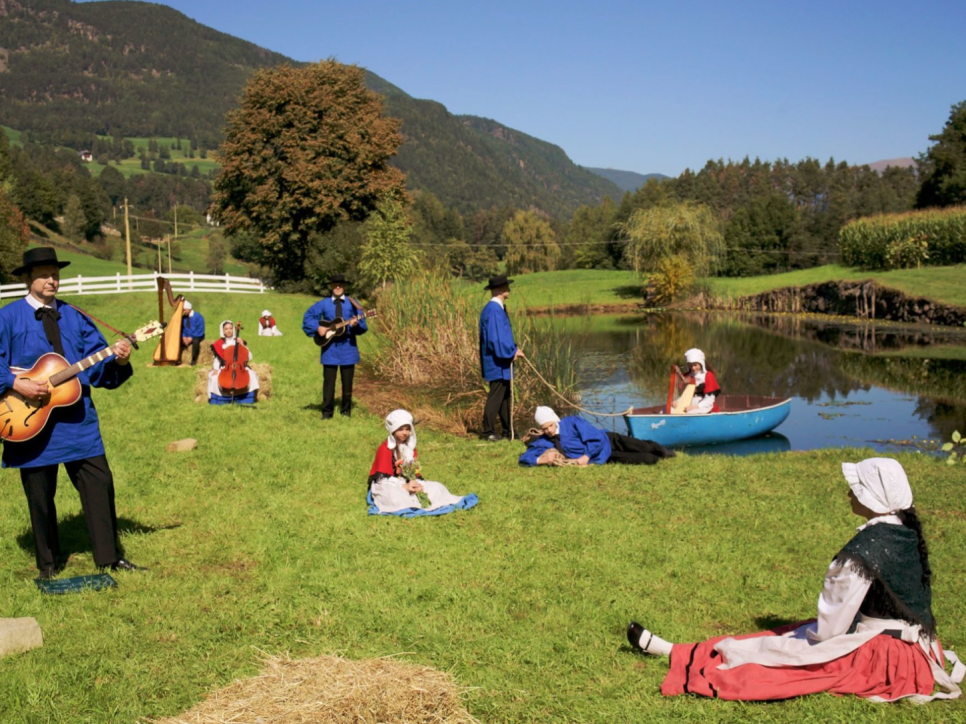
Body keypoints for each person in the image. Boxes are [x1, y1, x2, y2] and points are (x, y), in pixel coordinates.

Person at [627, 458, 963, 703]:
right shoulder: (904, 529)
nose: (848, 492)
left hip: (884, 660)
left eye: (855, 488)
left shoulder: (862, 553)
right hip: (917, 652)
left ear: (871, 498)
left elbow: (829, 631)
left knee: (783, 655)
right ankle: (681, 651)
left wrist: (804, 640)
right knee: (781, 635)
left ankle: (690, 658)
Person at [0, 247, 145, 578]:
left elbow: (98, 367)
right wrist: (14, 382)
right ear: (26, 278)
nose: (52, 280)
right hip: (27, 421)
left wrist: (119, 359)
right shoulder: (7, 318)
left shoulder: (77, 317)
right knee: (39, 495)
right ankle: (48, 564)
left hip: (78, 421)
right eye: (44, 274)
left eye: (55, 273)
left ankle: (109, 557)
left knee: (100, 483)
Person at [368, 410, 471, 514]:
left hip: (408, 482)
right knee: (394, 497)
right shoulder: (385, 449)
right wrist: (404, 486)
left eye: (407, 429)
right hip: (389, 484)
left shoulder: (410, 448)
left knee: (437, 488)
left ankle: (419, 502)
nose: (405, 433)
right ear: (393, 430)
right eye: (401, 429)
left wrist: (417, 484)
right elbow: (382, 479)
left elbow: (413, 472)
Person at [301, 274, 367, 419]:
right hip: (329, 349)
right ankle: (327, 413)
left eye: (340, 284)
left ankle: (346, 412)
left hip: (348, 348)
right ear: (331, 286)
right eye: (335, 284)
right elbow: (308, 317)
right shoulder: (323, 303)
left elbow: (363, 326)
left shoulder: (353, 303)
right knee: (329, 382)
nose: (338, 287)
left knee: (347, 383)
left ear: (344, 286)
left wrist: (355, 325)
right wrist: (317, 327)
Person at [519, 406, 675, 466]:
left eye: (550, 426)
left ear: (555, 421)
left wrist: (586, 456)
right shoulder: (545, 440)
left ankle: (662, 450)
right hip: (602, 457)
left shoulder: (572, 422)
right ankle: (655, 456)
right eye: (545, 429)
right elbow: (524, 458)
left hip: (608, 440)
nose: (549, 431)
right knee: (648, 460)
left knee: (643, 446)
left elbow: (596, 438)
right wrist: (541, 460)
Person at [479, 274, 524, 441]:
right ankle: (487, 432)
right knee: (496, 396)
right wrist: (509, 353)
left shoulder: (496, 309)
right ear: (499, 290)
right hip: (498, 362)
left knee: (504, 397)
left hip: (501, 361)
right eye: (506, 286)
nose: (509, 289)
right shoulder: (494, 310)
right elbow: (495, 337)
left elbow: (502, 336)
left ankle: (508, 431)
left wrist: (513, 349)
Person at [207, 320, 260, 404]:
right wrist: (216, 369)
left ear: (233, 329)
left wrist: (242, 345)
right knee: (213, 377)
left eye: (230, 328)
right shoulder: (219, 343)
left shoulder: (239, 341)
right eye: (226, 329)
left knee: (252, 375)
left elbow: (249, 356)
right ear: (223, 331)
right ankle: (218, 400)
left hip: (240, 366)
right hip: (225, 367)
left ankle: (248, 398)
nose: (228, 330)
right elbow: (217, 359)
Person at [672, 348, 720, 414]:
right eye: (690, 365)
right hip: (689, 403)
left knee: (691, 413)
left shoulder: (708, 375)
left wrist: (695, 407)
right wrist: (676, 402)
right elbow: (683, 396)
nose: (693, 368)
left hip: (703, 404)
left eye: (695, 365)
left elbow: (709, 400)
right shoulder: (686, 376)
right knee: (668, 409)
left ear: (701, 363)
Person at [180, 300, 205, 366]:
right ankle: (178, 357)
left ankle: (194, 359)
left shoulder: (198, 316)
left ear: (189, 309)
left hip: (197, 335)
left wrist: (191, 338)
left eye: (184, 310)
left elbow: (200, 329)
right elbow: (182, 329)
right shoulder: (183, 318)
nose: (183, 311)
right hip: (187, 335)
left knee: (196, 342)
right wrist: (183, 337)